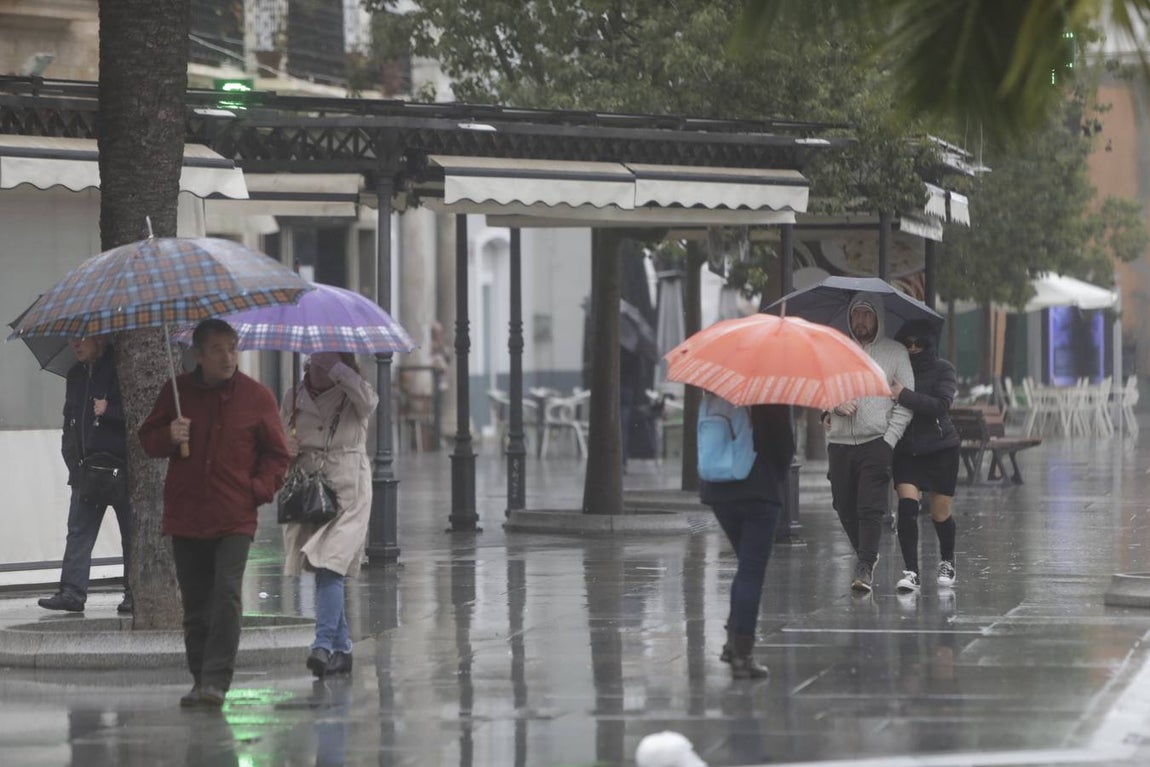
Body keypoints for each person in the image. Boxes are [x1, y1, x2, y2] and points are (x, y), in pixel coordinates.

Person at [139, 319, 290, 708]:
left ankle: (217, 681)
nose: (227, 357)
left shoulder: (256, 397)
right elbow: (148, 441)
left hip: (234, 516)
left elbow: (277, 455)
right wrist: (169, 436)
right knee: (196, 605)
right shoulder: (176, 393)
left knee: (226, 594)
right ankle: (199, 679)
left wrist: (257, 490)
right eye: (217, 350)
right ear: (198, 355)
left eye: (232, 348)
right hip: (187, 514)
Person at [281, 351, 378, 678]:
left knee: (331, 564)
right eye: (316, 359)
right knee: (323, 567)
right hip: (311, 491)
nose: (319, 365)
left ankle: (322, 646)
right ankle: (342, 649)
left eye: (330, 357)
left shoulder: (353, 391)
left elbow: (370, 402)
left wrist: (337, 369)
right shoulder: (293, 396)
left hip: (349, 488)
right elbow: (279, 437)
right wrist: (286, 446)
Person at [822, 293, 914, 594]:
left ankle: (864, 564)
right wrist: (834, 406)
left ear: (878, 318)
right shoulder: (836, 350)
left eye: (866, 314)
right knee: (842, 504)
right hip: (839, 443)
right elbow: (821, 389)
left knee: (870, 507)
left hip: (877, 441)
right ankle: (868, 553)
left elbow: (906, 401)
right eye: (856, 315)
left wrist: (889, 440)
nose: (860, 321)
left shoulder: (895, 352)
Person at [39, 336, 133, 614]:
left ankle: (134, 593)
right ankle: (71, 592)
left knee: (131, 535)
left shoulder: (121, 367)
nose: (75, 344)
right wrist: (71, 459)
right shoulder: (75, 375)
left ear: (99, 338)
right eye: (71, 339)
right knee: (78, 532)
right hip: (86, 469)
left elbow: (138, 412)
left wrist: (109, 411)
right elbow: (70, 419)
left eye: (81, 338)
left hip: (121, 467)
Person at [700, 404, 794, 679]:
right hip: (759, 492)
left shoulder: (717, 393)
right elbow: (784, 448)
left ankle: (733, 641)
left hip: (720, 491)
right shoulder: (771, 395)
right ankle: (743, 652)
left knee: (746, 568)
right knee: (752, 572)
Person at [890, 319, 961, 593]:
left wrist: (904, 395)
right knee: (907, 508)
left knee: (940, 514)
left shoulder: (944, 369)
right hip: (907, 449)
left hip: (941, 448)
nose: (912, 347)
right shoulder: (897, 369)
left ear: (929, 343)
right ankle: (911, 572)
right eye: (907, 343)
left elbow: (941, 405)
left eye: (919, 342)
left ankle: (947, 560)